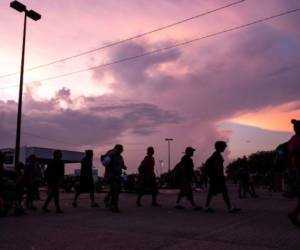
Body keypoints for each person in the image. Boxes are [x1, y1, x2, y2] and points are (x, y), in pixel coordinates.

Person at [204, 141, 241, 213]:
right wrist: (221, 176)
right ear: (220, 147)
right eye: (224, 146)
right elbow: (217, 167)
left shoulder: (216, 155)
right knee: (221, 192)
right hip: (216, 178)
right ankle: (229, 208)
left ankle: (207, 207)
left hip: (215, 177)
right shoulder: (216, 156)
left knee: (216, 192)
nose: (224, 148)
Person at [104, 144, 127, 213]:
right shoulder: (111, 155)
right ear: (116, 149)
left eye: (122, 149)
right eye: (120, 149)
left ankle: (107, 199)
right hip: (111, 175)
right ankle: (114, 206)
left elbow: (122, 164)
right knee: (115, 191)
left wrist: (124, 167)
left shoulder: (120, 157)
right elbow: (105, 163)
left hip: (118, 176)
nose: (121, 150)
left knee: (117, 190)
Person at [287, 119, 300, 227]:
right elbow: (295, 157)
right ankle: (294, 214)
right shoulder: (296, 140)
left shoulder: (294, 139)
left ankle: (294, 214)